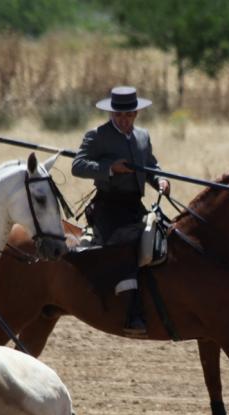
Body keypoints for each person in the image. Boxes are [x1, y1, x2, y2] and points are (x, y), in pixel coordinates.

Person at [71, 86, 170, 337]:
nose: (123, 120)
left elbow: (151, 166)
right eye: (118, 115)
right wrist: (110, 168)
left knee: (161, 239)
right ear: (111, 114)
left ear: (136, 113)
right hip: (108, 206)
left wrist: (159, 181)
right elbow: (78, 166)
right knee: (127, 245)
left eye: (128, 115)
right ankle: (131, 312)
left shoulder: (143, 137)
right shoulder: (97, 136)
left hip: (134, 205)